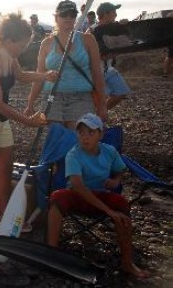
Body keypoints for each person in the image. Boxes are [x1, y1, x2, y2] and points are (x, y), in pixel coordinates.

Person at [0, 12, 58, 233]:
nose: (24, 48)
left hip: (1, 120)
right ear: (9, 41)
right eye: (22, 44)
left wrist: (45, 76)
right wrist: (28, 121)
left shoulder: (10, 57)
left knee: (6, 167)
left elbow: (22, 76)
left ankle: (4, 212)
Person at [47, 113, 150, 279]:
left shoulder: (109, 151)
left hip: (101, 195)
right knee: (57, 197)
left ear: (101, 135)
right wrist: (108, 210)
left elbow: (120, 170)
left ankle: (127, 262)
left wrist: (115, 180)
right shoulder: (73, 154)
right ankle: (51, 254)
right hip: (78, 196)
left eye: (90, 133)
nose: (85, 137)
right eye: (81, 133)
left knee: (122, 204)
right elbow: (78, 187)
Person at [25, 0, 107, 129]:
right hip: (52, 97)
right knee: (56, 138)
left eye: (72, 14)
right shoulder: (46, 43)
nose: (68, 17)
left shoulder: (88, 40)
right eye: (64, 14)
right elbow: (39, 75)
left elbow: (97, 73)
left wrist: (102, 104)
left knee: (76, 138)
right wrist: (30, 103)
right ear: (56, 17)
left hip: (81, 97)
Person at [91, 2, 131, 110]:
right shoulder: (93, 31)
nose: (116, 15)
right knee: (97, 100)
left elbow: (125, 41)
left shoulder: (112, 28)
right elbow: (88, 54)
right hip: (95, 71)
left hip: (108, 68)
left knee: (121, 91)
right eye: (114, 12)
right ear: (105, 14)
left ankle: (98, 115)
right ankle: (92, 120)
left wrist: (124, 25)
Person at [163, 12, 173, 77]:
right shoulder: (171, 14)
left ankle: (166, 72)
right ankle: (166, 72)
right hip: (171, 39)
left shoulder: (170, 14)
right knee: (170, 56)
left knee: (170, 56)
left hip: (170, 39)